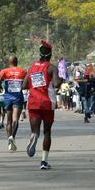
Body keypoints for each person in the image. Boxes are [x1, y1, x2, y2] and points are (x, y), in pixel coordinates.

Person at [22, 40, 62, 170]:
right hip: (47, 103)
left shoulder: (32, 67)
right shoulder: (52, 68)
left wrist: (34, 82)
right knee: (47, 132)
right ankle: (44, 161)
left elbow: (24, 85)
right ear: (50, 55)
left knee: (35, 130)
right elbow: (56, 84)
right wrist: (60, 80)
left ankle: (33, 136)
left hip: (33, 102)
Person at [0, 56, 27, 151]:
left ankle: (9, 139)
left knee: (9, 121)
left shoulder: (4, 71)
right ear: (17, 62)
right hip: (18, 98)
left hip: (7, 98)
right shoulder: (23, 71)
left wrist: (0, 87)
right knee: (15, 120)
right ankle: (12, 138)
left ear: (9, 62)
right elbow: (27, 82)